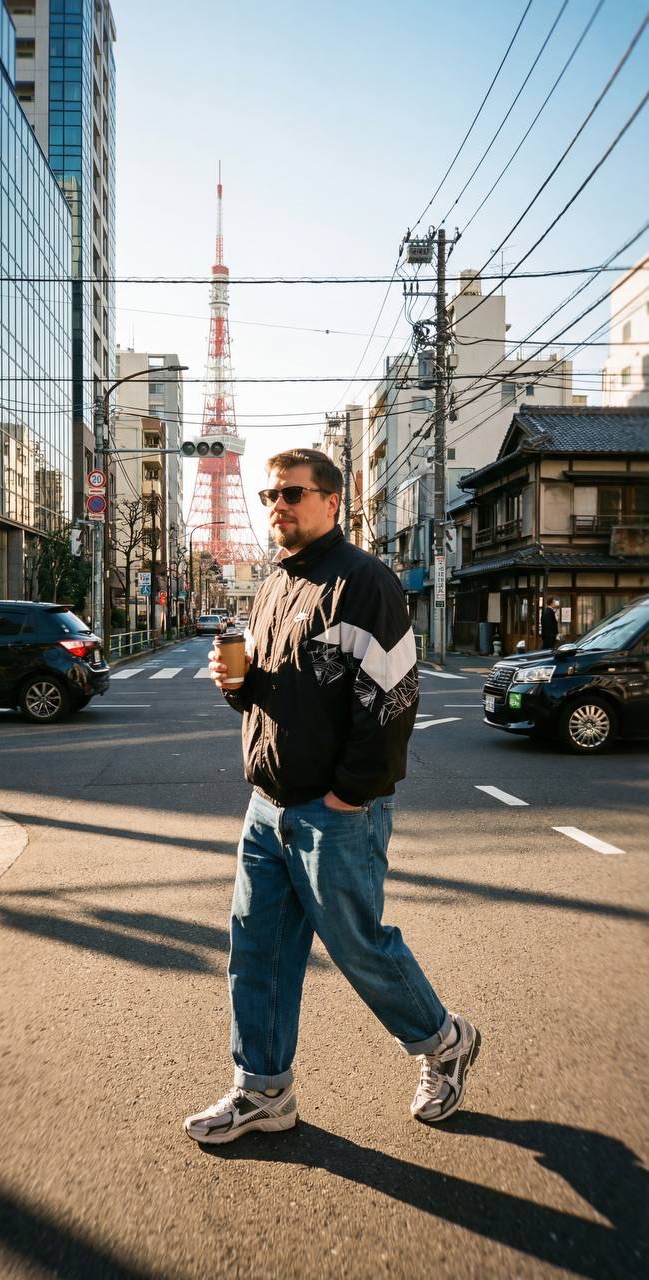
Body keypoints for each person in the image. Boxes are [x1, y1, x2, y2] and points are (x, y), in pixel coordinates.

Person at [184, 448, 480, 1146]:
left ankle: (445, 1043)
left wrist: (351, 796)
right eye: (269, 496)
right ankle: (263, 1092)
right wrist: (240, 690)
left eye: (290, 494)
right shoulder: (272, 587)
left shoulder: (366, 583)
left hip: (334, 810)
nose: (276, 506)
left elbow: (394, 698)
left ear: (330, 502)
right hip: (268, 806)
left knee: (359, 947)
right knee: (256, 950)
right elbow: (282, 691)